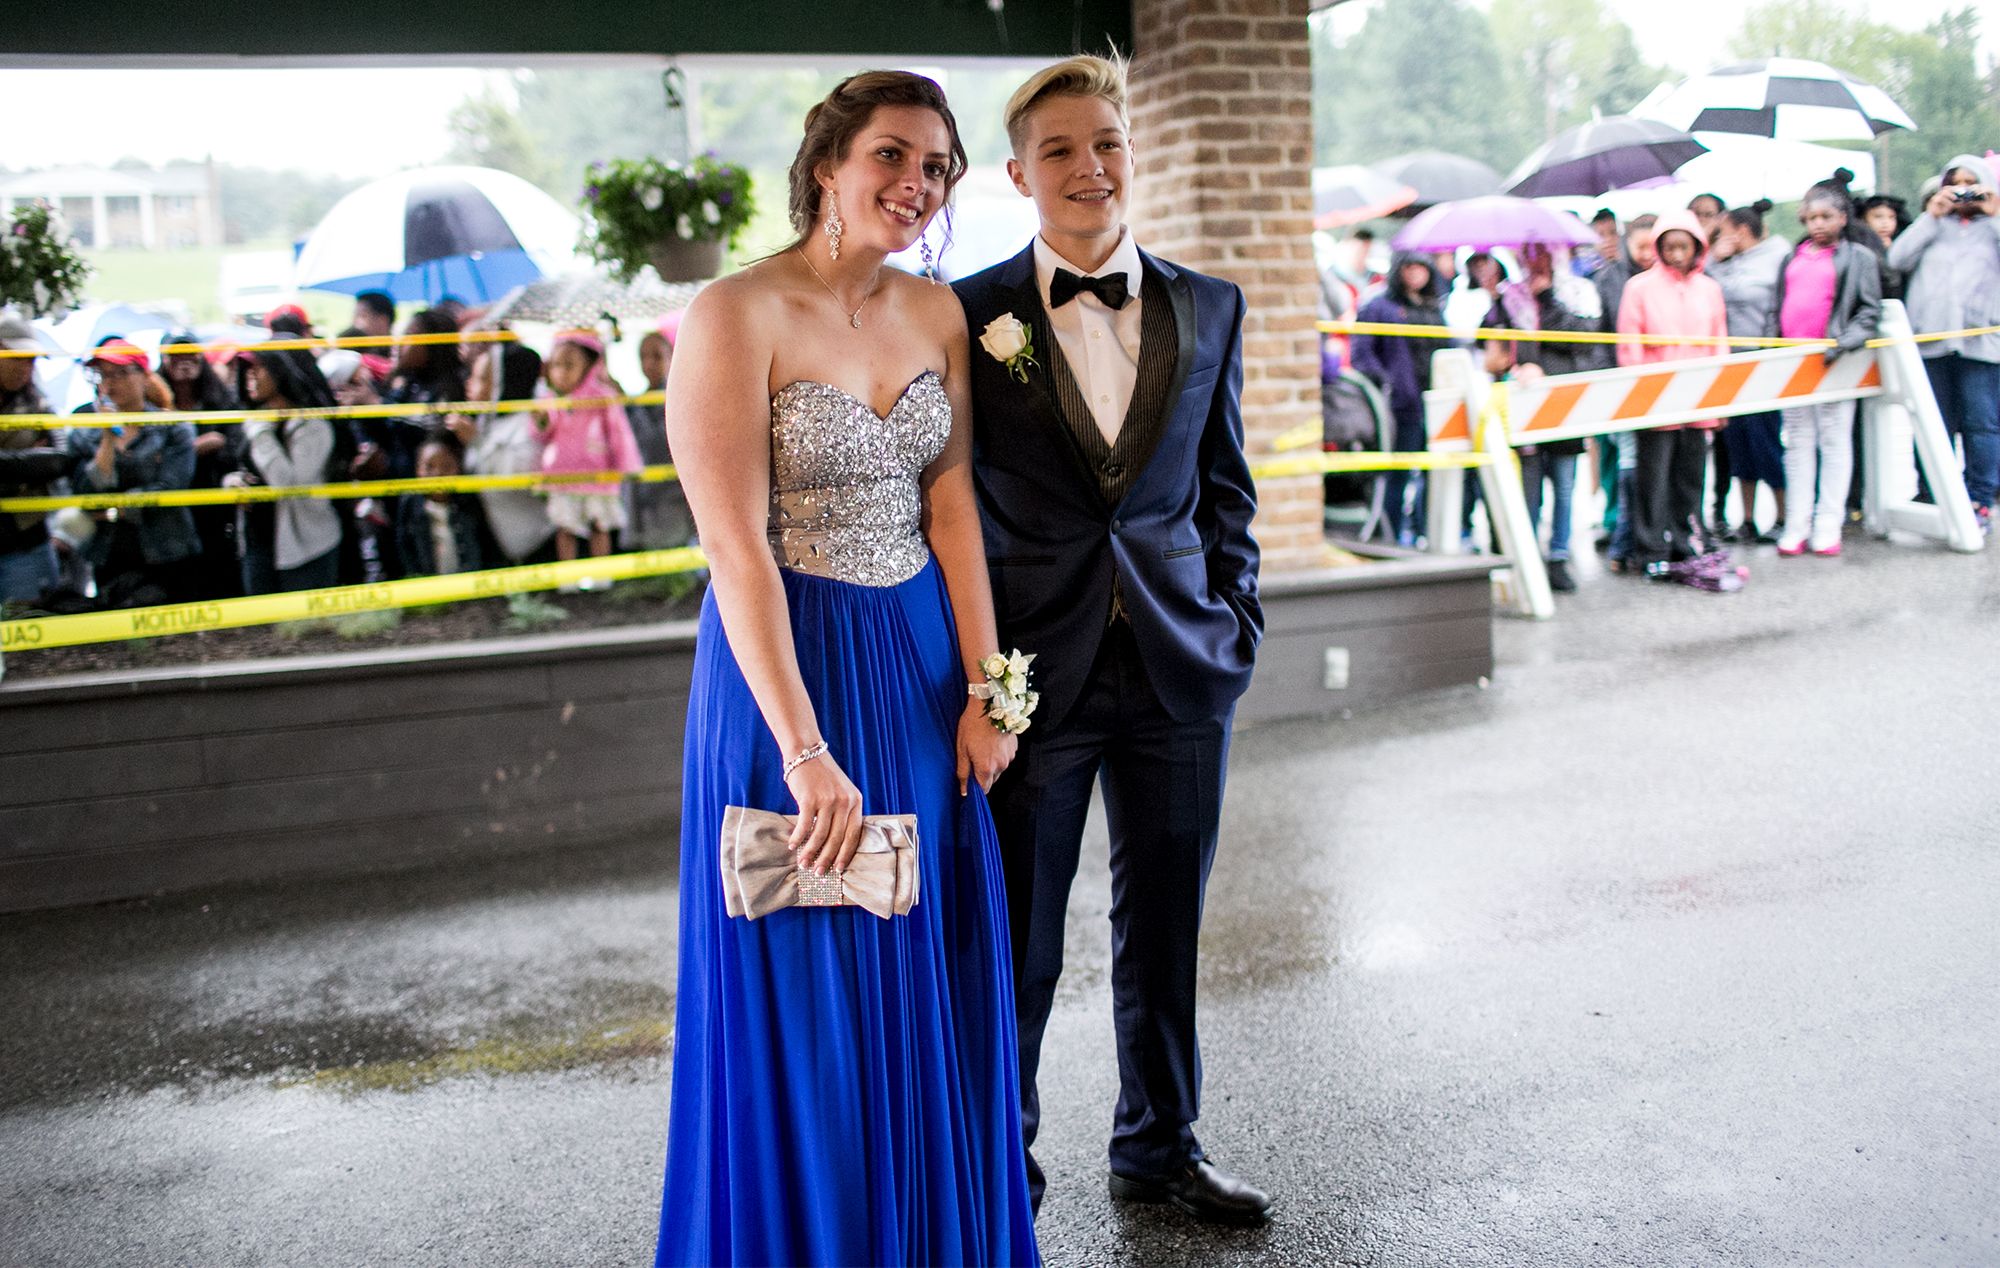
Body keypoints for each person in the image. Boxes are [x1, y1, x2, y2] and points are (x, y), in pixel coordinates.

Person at [652, 69, 1037, 1266]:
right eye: (890, 156)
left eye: (935, 167)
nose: (913, 184)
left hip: (920, 673)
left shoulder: (935, 316)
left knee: (920, 952)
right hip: (788, 672)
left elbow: (953, 509)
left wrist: (991, 688)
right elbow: (733, 548)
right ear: (827, 161)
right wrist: (803, 749)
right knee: (812, 964)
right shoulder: (733, 314)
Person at [954, 54, 1269, 1227]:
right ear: (1019, 172)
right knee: (1018, 941)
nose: (1088, 168)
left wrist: (1234, 626)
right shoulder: (968, 314)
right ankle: (1000, 1163)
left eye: (1106, 144)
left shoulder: (1209, 303)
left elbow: (1226, 490)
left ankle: (1160, 1147)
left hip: (1184, 669)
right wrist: (979, 673)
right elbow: (951, 503)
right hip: (1032, 678)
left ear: (1131, 153)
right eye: (1059, 151)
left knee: (1168, 933)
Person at [1766, 179, 1882, 557]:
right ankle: (1796, 524)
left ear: (1842, 218)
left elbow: (1868, 311)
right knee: (1797, 443)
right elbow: (1777, 306)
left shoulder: (1858, 257)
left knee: (1834, 440)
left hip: (1835, 362)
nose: (1817, 224)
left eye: (1826, 216)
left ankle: (1828, 522)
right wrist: (1772, 346)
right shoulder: (1793, 257)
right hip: (1792, 362)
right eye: (1811, 216)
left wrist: (1842, 344)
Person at [1887, 154, 2000, 535]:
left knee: (1981, 424)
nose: (1963, 190)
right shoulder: (1933, 226)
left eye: (1972, 182)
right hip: (1931, 340)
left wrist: (1995, 211)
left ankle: (1980, 498)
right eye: (1955, 182)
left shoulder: (1992, 228)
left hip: (1979, 343)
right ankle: (1931, 492)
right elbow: (1897, 259)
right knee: (1934, 422)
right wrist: (1930, 215)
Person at [1481, 242, 1597, 592]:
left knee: (1564, 485)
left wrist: (1546, 299)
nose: (1536, 261)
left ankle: (1559, 557)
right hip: (1523, 406)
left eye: (1543, 253)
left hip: (1563, 404)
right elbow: (1490, 344)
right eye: (1528, 254)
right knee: (1527, 487)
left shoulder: (1576, 293)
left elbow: (1583, 338)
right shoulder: (1508, 298)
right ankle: (1525, 558)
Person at [1616, 211, 1726, 573]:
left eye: (1683, 246)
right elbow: (1628, 348)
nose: (1677, 254)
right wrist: (1640, 398)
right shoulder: (1639, 288)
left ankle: (1686, 542)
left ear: (1697, 247)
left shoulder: (1710, 289)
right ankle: (1650, 549)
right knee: (1653, 478)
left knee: (1691, 477)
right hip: (1655, 400)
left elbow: (1719, 345)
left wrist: (1719, 399)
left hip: (1698, 399)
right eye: (1669, 247)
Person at [63, 339, 200, 605]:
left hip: (168, 552)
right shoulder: (84, 431)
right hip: (109, 555)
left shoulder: (173, 427)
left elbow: (171, 488)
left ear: (144, 377)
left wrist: (114, 511)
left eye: (121, 373)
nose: (111, 383)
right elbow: (85, 492)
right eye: (103, 375)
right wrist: (107, 437)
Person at [228, 346, 348, 593]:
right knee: (262, 627)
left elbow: (288, 485)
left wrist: (260, 432)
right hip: (257, 541)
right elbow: (237, 466)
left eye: (259, 368)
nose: (251, 375)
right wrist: (233, 481)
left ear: (280, 373)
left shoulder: (313, 426)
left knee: (304, 628)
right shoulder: (252, 419)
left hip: (308, 547)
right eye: (248, 369)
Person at [1706, 201, 1790, 542]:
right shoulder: (1723, 262)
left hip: (1763, 361)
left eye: (1723, 231)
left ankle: (1784, 515)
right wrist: (1715, 258)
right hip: (1730, 364)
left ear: (1741, 231)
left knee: (1765, 443)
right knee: (1737, 444)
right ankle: (1748, 519)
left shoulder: (1777, 257)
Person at [1350, 251, 1447, 543]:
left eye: (1422, 268)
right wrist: (1386, 382)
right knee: (1397, 474)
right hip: (1399, 407)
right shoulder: (1380, 307)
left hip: (1435, 402)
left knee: (1434, 475)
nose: (1416, 274)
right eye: (1410, 268)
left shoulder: (1434, 309)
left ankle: (1424, 530)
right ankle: (1390, 534)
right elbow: (1362, 354)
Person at [535, 330, 641, 576]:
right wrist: (540, 420)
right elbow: (542, 434)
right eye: (557, 364)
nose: (562, 372)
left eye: (569, 365)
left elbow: (619, 433)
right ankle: (568, 579)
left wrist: (626, 465)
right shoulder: (550, 399)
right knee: (565, 527)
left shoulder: (603, 397)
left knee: (599, 526)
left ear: (589, 366)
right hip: (562, 476)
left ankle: (602, 576)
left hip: (597, 476)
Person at [444, 343, 555, 564]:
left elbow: (517, 479)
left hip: (540, 543)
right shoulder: (489, 420)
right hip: (503, 545)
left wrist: (476, 441)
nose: (470, 384)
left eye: (482, 378)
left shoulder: (531, 422)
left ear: (503, 382)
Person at [157, 329, 244, 598]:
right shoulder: (153, 404)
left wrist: (219, 445)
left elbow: (236, 443)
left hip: (215, 501)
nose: (184, 361)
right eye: (176, 355)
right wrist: (194, 447)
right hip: (172, 503)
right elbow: (152, 456)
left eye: (190, 354)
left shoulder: (221, 398)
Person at [1595, 214, 1656, 568]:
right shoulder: (1610, 279)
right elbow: (1603, 335)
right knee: (1617, 458)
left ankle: (1635, 533)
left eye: (1653, 246)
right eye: (1640, 247)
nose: (1648, 253)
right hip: (1618, 380)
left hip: (1656, 380)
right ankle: (1617, 526)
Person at [0, 312, 65, 603]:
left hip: (26, 542)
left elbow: (59, 459)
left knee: (32, 631)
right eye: (18, 358)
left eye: (32, 360)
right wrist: (25, 463)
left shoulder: (39, 403)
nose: (27, 367)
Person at [623, 321, 696, 549]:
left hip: (675, 496)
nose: (648, 364)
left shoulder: (684, 398)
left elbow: (658, 443)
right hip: (644, 496)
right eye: (643, 356)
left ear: (672, 356)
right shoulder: (635, 403)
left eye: (656, 356)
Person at [394, 429, 492, 575]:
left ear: (458, 468)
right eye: (429, 467)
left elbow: (485, 544)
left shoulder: (469, 501)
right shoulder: (409, 504)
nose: (438, 474)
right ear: (418, 470)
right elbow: (404, 547)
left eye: (446, 466)